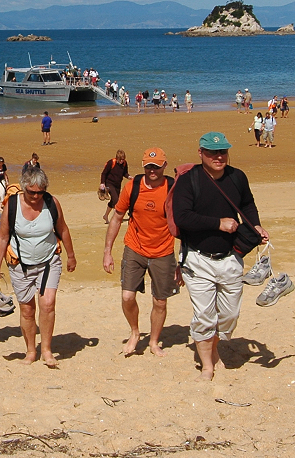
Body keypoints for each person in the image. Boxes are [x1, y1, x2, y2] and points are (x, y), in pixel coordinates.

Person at [171, 132, 269, 380]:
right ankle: (207, 364)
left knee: (229, 315)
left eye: (223, 152)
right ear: (200, 153)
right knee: (204, 315)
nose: (218, 156)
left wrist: (254, 225)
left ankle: (213, 350)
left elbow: (247, 204)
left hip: (231, 258)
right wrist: (218, 224)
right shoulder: (188, 180)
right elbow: (182, 217)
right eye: (212, 152)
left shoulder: (237, 177)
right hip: (197, 259)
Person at [0, 166, 77, 366]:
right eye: (32, 192)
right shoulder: (12, 205)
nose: (36, 196)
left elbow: (63, 229)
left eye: (41, 192)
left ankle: (47, 350)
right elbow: (2, 237)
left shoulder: (51, 203)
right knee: (27, 310)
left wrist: (71, 255)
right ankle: (31, 351)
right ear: (23, 188)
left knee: (47, 304)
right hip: (20, 265)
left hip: (49, 261)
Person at [102, 148, 177, 357]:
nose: (152, 170)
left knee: (160, 301)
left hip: (163, 251)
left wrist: (183, 261)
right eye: (148, 166)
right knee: (127, 296)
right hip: (135, 248)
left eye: (156, 166)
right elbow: (117, 218)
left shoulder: (173, 187)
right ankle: (135, 332)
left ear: (164, 165)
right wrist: (107, 252)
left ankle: (153, 341)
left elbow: (185, 220)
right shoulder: (132, 187)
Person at [99, 149, 129, 224]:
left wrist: (129, 177)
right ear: (117, 158)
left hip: (118, 184)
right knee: (116, 200)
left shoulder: (124, 163)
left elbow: (125, 173)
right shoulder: (111, 162)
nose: (122, 161)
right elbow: (104, 173)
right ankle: (116, 218)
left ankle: (105, 215)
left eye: (123, 159)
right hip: (109, 183)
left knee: (113, 201)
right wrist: (102, 183)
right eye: (120, 159)